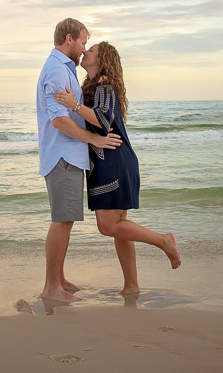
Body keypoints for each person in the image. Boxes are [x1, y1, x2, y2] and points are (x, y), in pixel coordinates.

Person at [54, 41, 181, 296]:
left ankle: (163, 240)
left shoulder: (105, 85)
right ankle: (131, 286)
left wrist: (73, 105)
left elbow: (102, 119)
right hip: (114, 160)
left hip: (112, 161)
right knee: (119, 226)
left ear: (102, 60)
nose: (85, 51)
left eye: (92, 51)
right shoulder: (93, 86)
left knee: (108, 226)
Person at [36, 18, 122, 302]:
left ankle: (58, 279)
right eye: (84, 42)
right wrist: (95, 139)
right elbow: (60, 121)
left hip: (69, 154)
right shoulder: (56, 71)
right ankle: (51, 288)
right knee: (62, 219)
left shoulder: (65, 70)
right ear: (70, 39)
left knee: (66, 219)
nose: (85, 49)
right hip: (63, 153)